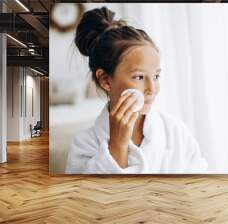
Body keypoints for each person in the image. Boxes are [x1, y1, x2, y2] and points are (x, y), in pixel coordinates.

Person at [65, 6, 208, 174]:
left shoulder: (176, 132)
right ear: (105, 80)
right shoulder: (84, 145)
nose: (152, 89)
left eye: (156, 76)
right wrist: (117, 147)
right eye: (139, 77)